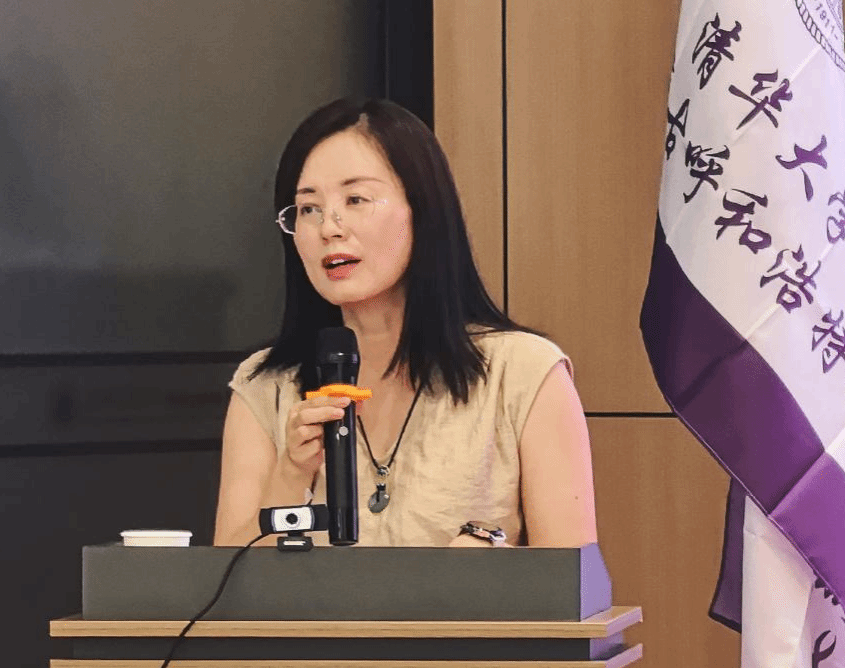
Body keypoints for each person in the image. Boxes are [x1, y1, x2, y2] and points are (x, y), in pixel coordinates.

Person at [213, 98, 596, 548]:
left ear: (423, 209)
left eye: (356, 200)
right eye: (308, 208)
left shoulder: (522, 373)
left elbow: (579, 582)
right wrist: (291, 475)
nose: (329, 228)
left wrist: (495, 569)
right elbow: (224, 583)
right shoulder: (266, 387)